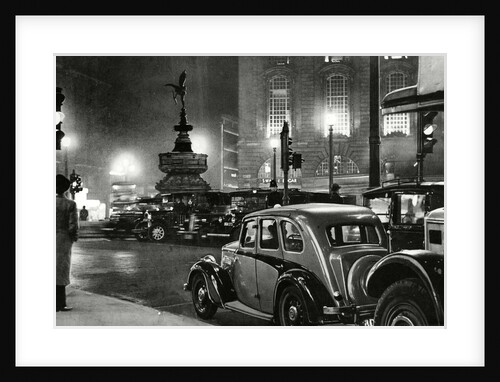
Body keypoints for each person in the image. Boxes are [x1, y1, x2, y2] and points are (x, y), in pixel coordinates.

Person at [56, 174, 79, 312]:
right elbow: (73, 226)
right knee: (61, 270)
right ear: (66, 188)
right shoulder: (70, 204)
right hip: (63, 239)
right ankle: (60, 303)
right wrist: (74, 237)